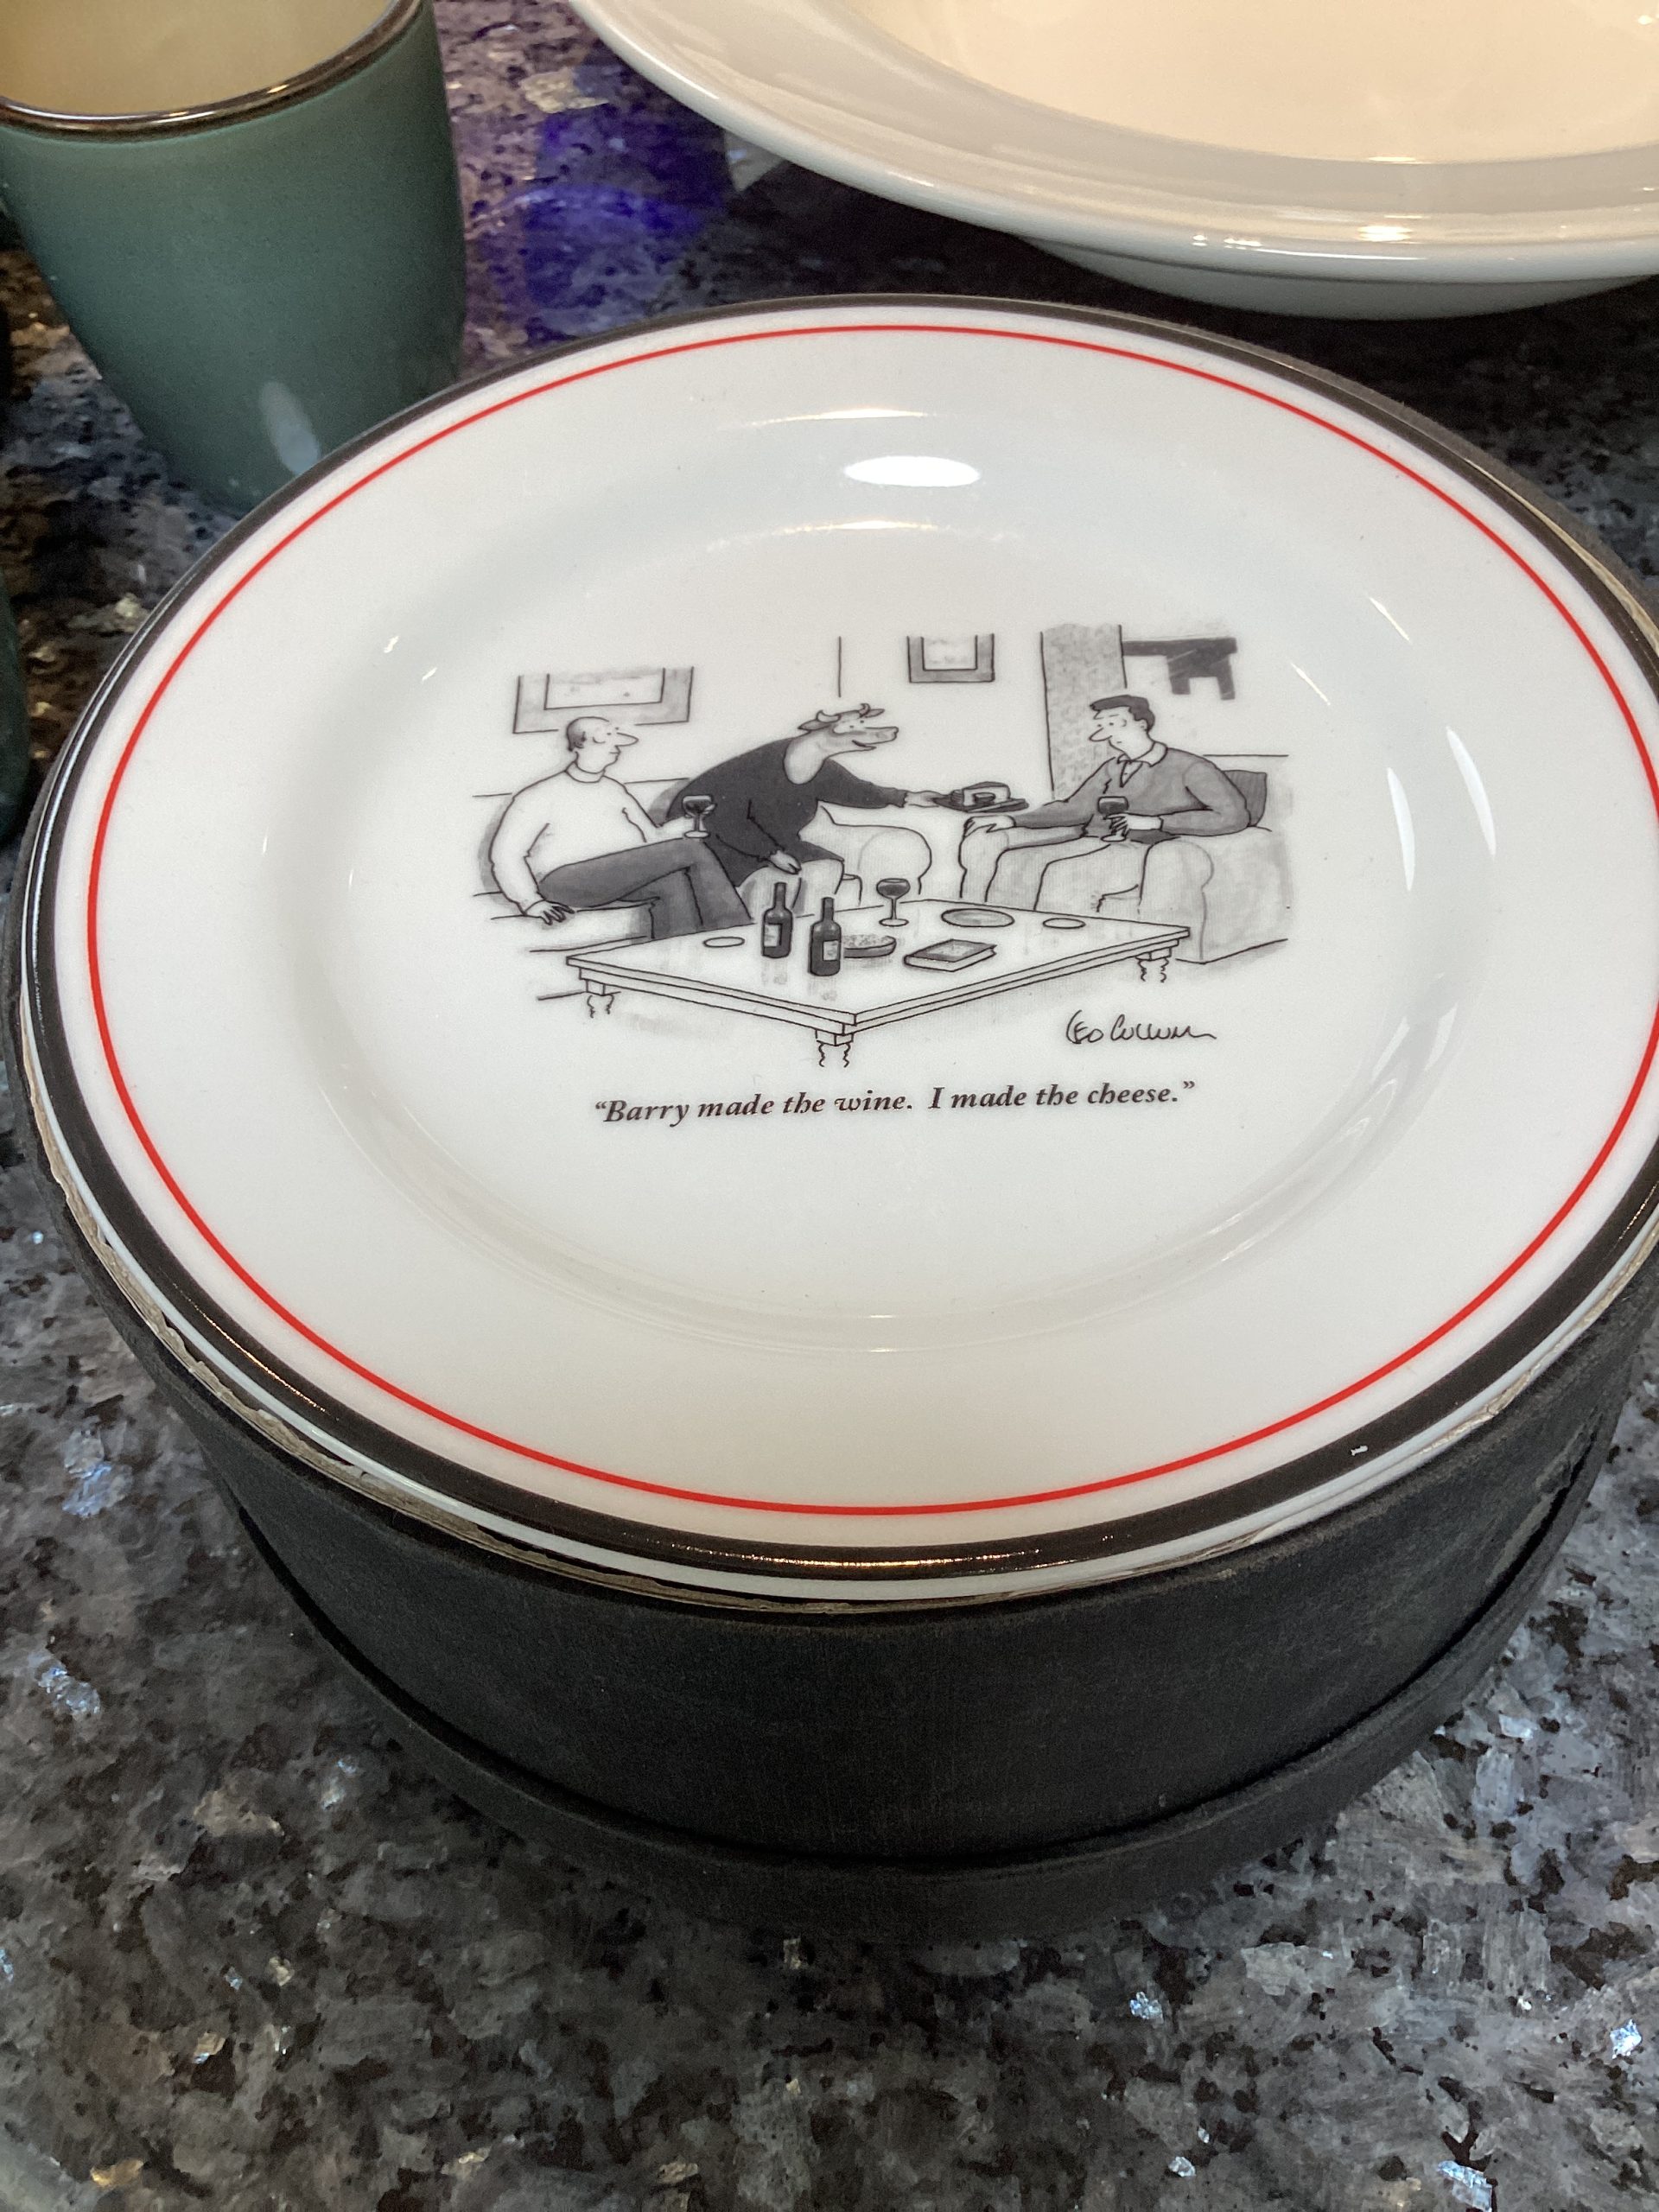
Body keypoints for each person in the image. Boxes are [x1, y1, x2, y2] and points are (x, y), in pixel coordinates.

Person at [961, 694, 1247, 909]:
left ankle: (1069, 954)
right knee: (1014, 862)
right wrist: (1011, 819)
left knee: (1065, 875)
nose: (1110, 732)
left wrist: (1156, 822)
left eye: (1116, 723)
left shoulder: (1189, 766)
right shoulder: (1112, 767)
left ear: (1142, 724)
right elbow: (1076, 808)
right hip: (1095, 840)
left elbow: (1233, 816)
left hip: (1145, 848)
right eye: (1103, 725)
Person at [487, 715, 750, 940]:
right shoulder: (540, 794)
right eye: (606, 742)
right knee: (690, 850)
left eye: (616, 743)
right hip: (563, 880)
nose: (616, 748)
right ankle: (736, 933)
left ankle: (675, 961)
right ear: (579, 745)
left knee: (674, 884)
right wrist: (530, 902)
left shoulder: (614, 790)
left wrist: (683, 826)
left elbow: (651, 839)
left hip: (615, 878)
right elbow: (506, 853)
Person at [669, 704, 944, 914]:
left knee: (827, 867)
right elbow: (726, 820)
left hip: (779, 843)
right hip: (722, 844)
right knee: (771, 882)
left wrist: (909, 797)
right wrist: (772, 854)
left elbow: (859, 792)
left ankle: (807, 931)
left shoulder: (822, 768)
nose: (866, 733)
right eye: (852, 726)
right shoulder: (757, 764)